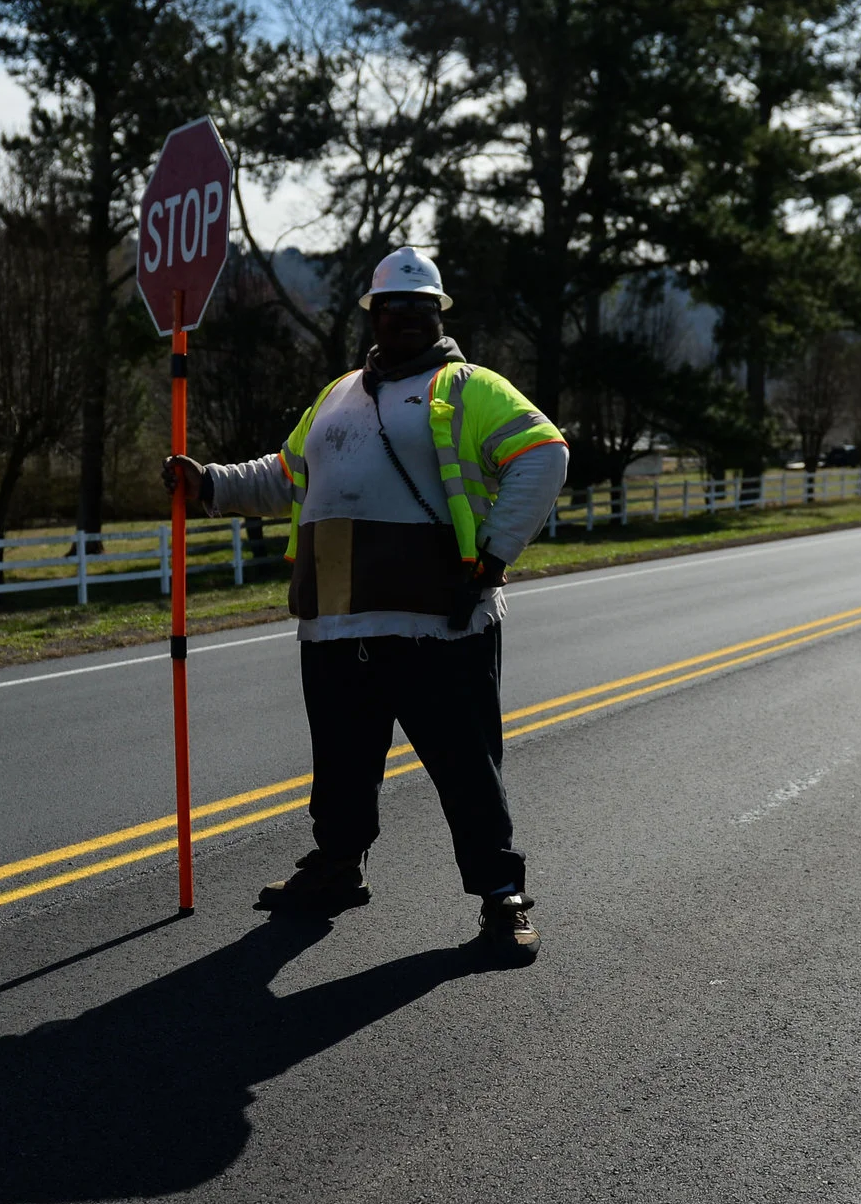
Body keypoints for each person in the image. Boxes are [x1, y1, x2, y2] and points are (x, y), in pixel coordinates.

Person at [162, 247, 569, 961]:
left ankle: (502, 897)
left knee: (467, 768)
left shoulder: (471, 387)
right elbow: (288, 474)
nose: (405, 319)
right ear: (373, 317)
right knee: (342, 763)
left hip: (439, 621)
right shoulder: (340, 392)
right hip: (336, 615)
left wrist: (493, 556)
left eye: (419, 307)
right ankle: (337, 868)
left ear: (437, 314)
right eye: (391, 308)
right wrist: (212, 485)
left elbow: (544, 453)